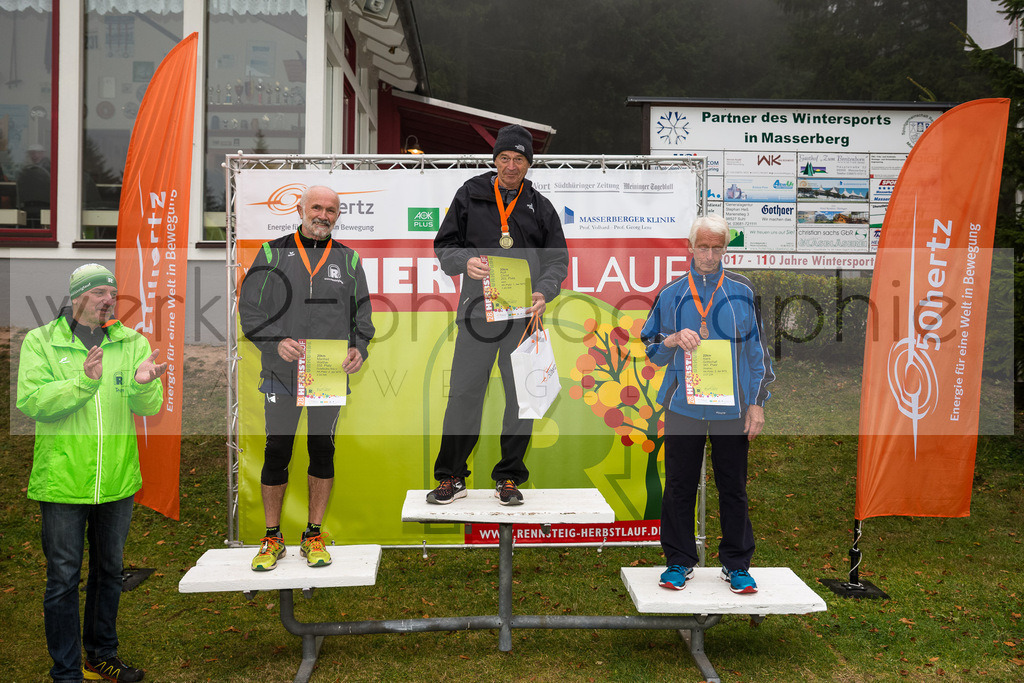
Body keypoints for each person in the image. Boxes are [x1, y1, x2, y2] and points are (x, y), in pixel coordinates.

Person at [17, 263, 167, 683]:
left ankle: (101, 656)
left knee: (108, 573)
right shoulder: (41, 341)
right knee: (63, 579)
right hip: (63, 481)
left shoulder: (131, 341)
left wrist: (143, 383)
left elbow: (148, 407)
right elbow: (33, 402)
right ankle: (66, 672)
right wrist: (83, 383)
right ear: (77, 296)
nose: (108, 300)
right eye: (99, 292)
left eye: (112, 293)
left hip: (116, 480)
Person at [427, 124, 569, 506]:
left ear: (528, 164)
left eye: (518, 159)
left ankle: (508, 477)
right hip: (477, 316)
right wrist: (465, 261)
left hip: (522, 318)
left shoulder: (540, 207)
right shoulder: (470, 194)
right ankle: (452, 476)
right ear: (495, 160)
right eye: (504, 157)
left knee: (521, 398)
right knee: (463, 395)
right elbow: (444, 245)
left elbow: (557, 261)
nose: (510, 166)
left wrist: (544, 291)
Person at [239, 184, 374, 571]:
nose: (323, 215)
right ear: (300, 210)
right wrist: (274, 342)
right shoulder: (272, 252)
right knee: (277, 450)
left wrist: (358, 348)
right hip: (281, 372)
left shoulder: (348, 260)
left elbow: (362, 317)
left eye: (331, 210)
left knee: (322, 450)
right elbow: (249, 309)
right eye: (316, 207)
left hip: (327, 372)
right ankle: (272, 537)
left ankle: (313, 534)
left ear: (337, 216)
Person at [641, 214, 774, 594]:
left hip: (732, 409)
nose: (710, 255)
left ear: (725, 249)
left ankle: (736, 564)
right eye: (703, 247)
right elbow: (650, 345)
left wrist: (757, 404)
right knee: (679, 486)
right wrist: (670, 340)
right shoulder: (671, 292)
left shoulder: (742, 290)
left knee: (733, 487)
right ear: (690, 246)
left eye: (717, 248)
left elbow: (758, 352)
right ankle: (679, 561)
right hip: (683, 406)